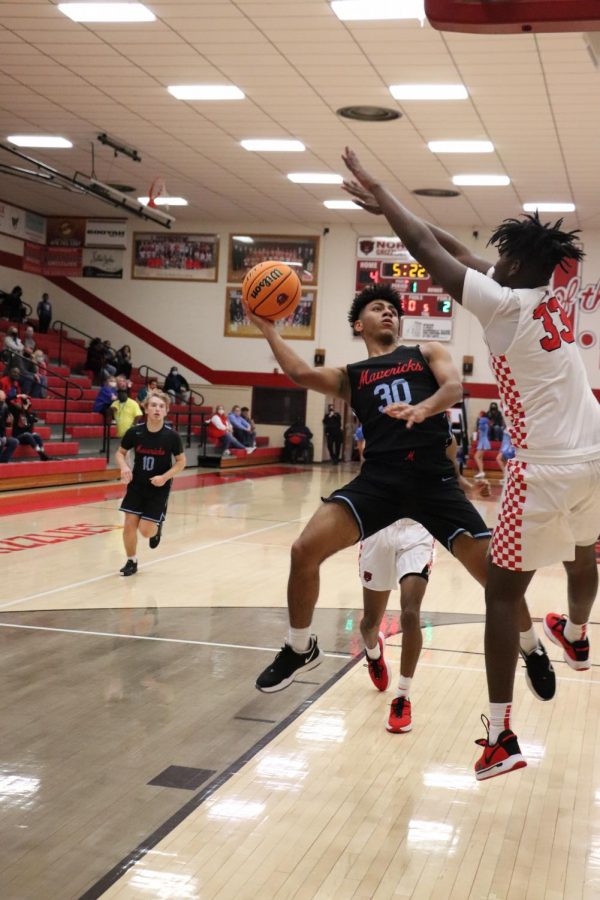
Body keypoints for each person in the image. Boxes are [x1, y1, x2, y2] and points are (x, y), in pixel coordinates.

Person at [342, 145, 600, 779]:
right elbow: (455, 248)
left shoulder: (505, 307)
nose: (495, 264)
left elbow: (433, 256)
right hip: (597, 457)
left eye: (503, 258)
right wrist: (392, 206)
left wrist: (381, 190)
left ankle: (500, 736)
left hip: (541, 468)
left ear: (514, 269)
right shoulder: (552, 298)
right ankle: (577, 631)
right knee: (583, 549)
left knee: (502, 598)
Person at [247, 281, 550, 718]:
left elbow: (453, 389)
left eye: (393, 308)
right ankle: (299, 647)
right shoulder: (352, 376)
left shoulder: (424, 353)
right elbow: (300, 374)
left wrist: (424, 409)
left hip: (434, 480)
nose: (388, 312)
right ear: (360, 323)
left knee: (496, 579)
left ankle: (531, 647)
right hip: (380, 482)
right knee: (303, 550)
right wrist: (267, 328)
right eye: (377, 307)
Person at [115, 391, 186, 576]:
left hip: (159, 487)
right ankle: (131, 561)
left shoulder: (171, 436)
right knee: (129, 523)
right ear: (146, 409)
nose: (157, 409)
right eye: (153, 405)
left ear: (166, 411)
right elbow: (120, 453)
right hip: (137, 484)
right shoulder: (135, 432)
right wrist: (124, 467)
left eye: (161, 406)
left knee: (145, 531)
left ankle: (156, 528)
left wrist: (164, 477)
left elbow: (181, 462)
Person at [7, 394, 51, 460]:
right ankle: (40, 453)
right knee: (27, 434)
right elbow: (7, 400)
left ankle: (42, 453)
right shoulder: (16, 411)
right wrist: (19, 395)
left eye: (27, 403)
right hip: (18, 437)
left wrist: (26, 411)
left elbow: (30, 428)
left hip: (28, 438)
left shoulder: (31, 414)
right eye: (24, 402)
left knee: (36, 435)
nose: (25, 404)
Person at [0, 389, 18, 463]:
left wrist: (10, 420)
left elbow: (6, 422)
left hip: (1, 435)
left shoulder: (5, 406)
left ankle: (3, 461)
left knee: (14, 441)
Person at [473, 410, 491, 479]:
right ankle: (481, 472)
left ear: (482, 415)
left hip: (483, 442)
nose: (478, 415)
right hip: (484, 441)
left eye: (479, 414)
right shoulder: (486, 423)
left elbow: (480, 428)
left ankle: (481, 472)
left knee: (476, 457)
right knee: (480, 458)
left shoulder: (482, 422)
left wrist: (479, 424)